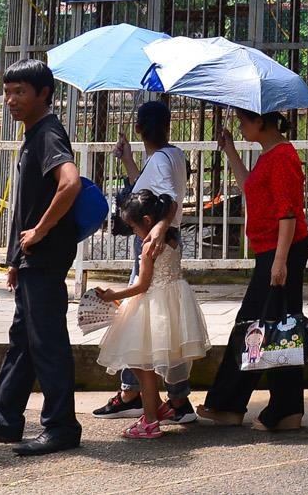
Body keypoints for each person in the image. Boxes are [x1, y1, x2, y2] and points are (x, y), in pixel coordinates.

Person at [0, 60, 83, 456]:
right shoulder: (34, 134)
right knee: (23, 339)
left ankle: (61, 427)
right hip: (30, 261)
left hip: (46, 257)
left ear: (44, 94)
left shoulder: (49, 134)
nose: (10, 100)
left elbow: (69, 184)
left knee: (47, 342)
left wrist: (39, 231)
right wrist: (16, 261)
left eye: (20, 91)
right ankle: (6, 420)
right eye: (8, 91)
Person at [198, 105, 308, 431]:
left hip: (280, 250)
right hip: (272, 249)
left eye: (244, 122)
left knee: (263, 328)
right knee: (275, 328)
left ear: (260, 121)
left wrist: (279, 261)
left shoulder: (282, 157)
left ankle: (238, 405)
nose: (241, 128)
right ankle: (273, 408)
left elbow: (288, 213)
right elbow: (251, 188)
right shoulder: (269, 154)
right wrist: (230, 149)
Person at [96, 101, 195, 423]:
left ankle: (136, 394)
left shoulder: (163, 160)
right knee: (163, 327)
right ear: (168, 124)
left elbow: (167, 199)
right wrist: (128, 161)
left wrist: (157, 231)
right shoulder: (172, 155)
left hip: (155, 237)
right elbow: (151, 191)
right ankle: (165, 398)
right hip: (162, 234)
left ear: (139, 128)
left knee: (139, 321)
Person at [93, 190, 211, 440]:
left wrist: (113, 293)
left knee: (142, 368)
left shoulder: (149, 245)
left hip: (151, 306)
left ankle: (149, 422)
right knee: (146, 366)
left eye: (133, 226)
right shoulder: (172, 239)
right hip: (172, 303)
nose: (133, 232)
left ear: (146, 221)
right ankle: (156, 410)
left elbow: (142, 285)